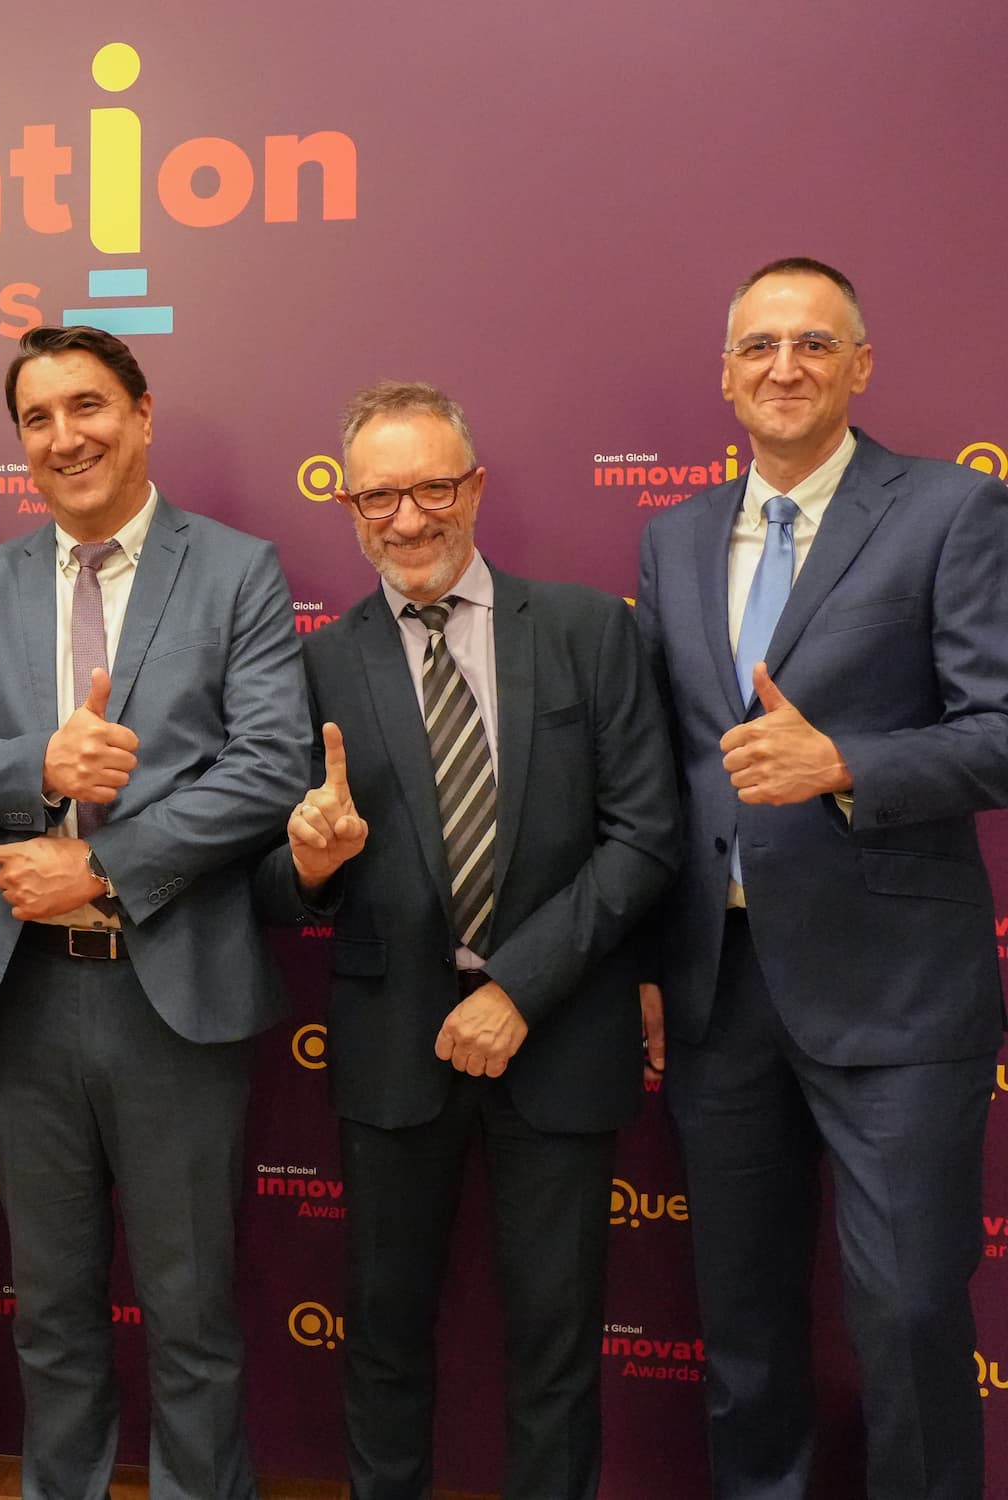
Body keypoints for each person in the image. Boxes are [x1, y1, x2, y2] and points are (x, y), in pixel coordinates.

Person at [0, 325, 305, 1500]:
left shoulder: (235, 569)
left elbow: (269, 767)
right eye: (36, 418)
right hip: (21, 998)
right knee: (50, 1313)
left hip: (170, 992)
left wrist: (105, 865)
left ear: (140, 414)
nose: (63, 436)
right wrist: (40, 762)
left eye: (85, 406)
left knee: (190, 1313)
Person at [255, 381, 677, 1500]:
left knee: (556, 1345)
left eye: (432, 488)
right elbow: (276, 882)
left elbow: (645, 836)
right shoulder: (314, 664)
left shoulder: (587, 631)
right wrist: (312, 861)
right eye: (379, 497)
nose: (407, 519)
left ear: (475, 487)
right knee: (384, 1336)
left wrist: (518, 988)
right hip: (392, 1047)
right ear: (349, 507)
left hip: (561, 1032)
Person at [636, 256, 1008, 1500]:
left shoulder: (950, 510)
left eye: (811, 344)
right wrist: (649, 961)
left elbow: (1000, 730)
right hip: (720, 989)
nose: (782, 367)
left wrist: (843, 762)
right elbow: (661, 772)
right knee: (740, 1324)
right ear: (724, 376)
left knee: (906, 1315)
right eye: (758, 346)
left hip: (895, 992)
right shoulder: (674, 538)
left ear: (858, 365)